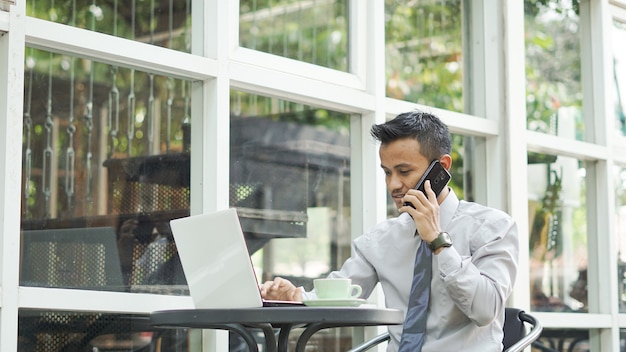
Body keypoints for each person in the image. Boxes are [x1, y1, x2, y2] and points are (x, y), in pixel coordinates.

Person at [260, 111, 519, 351]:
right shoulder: (379, 241)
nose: (394, 185)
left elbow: (486, 310)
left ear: (442, 167)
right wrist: (295, 296)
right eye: (387, 172)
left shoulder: (493, 227)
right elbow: (340, 294)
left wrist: (438, 241)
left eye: (404, 171)